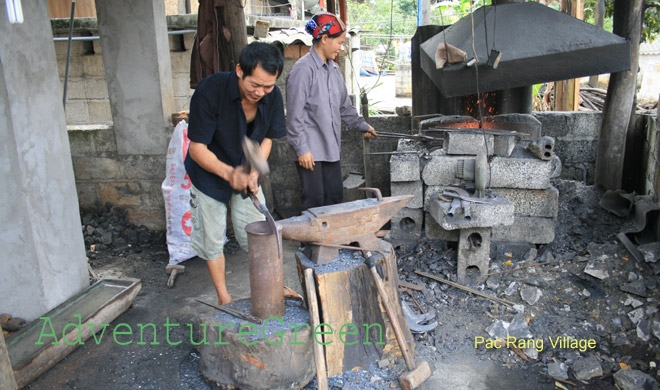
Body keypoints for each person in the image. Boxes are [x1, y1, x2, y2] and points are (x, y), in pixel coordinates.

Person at [184, 42, 286, 305]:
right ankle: (224, 298)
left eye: (268, 86)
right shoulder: (210, 91)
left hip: (244, 171)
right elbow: (197, 149)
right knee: (212, 237)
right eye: (255, 85)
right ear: (240, 70)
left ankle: (276, 286)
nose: (261, 92)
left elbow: (266, 141)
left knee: (259, 232)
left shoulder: (272, 97)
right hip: (209, 174)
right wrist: (231, 174)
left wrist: (252, 171)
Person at [286, 12, 377, 211]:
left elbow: (344, 107)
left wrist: (362, 125)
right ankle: (311, 243)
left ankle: (332, 242)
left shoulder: (334, 70)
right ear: (325, 38)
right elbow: (294, 116)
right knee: (314, 200)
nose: (341, 47)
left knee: (335, 198)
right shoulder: (303, 70)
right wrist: (302, 149)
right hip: (310, 151)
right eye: (339, 42)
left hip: (330, 148)